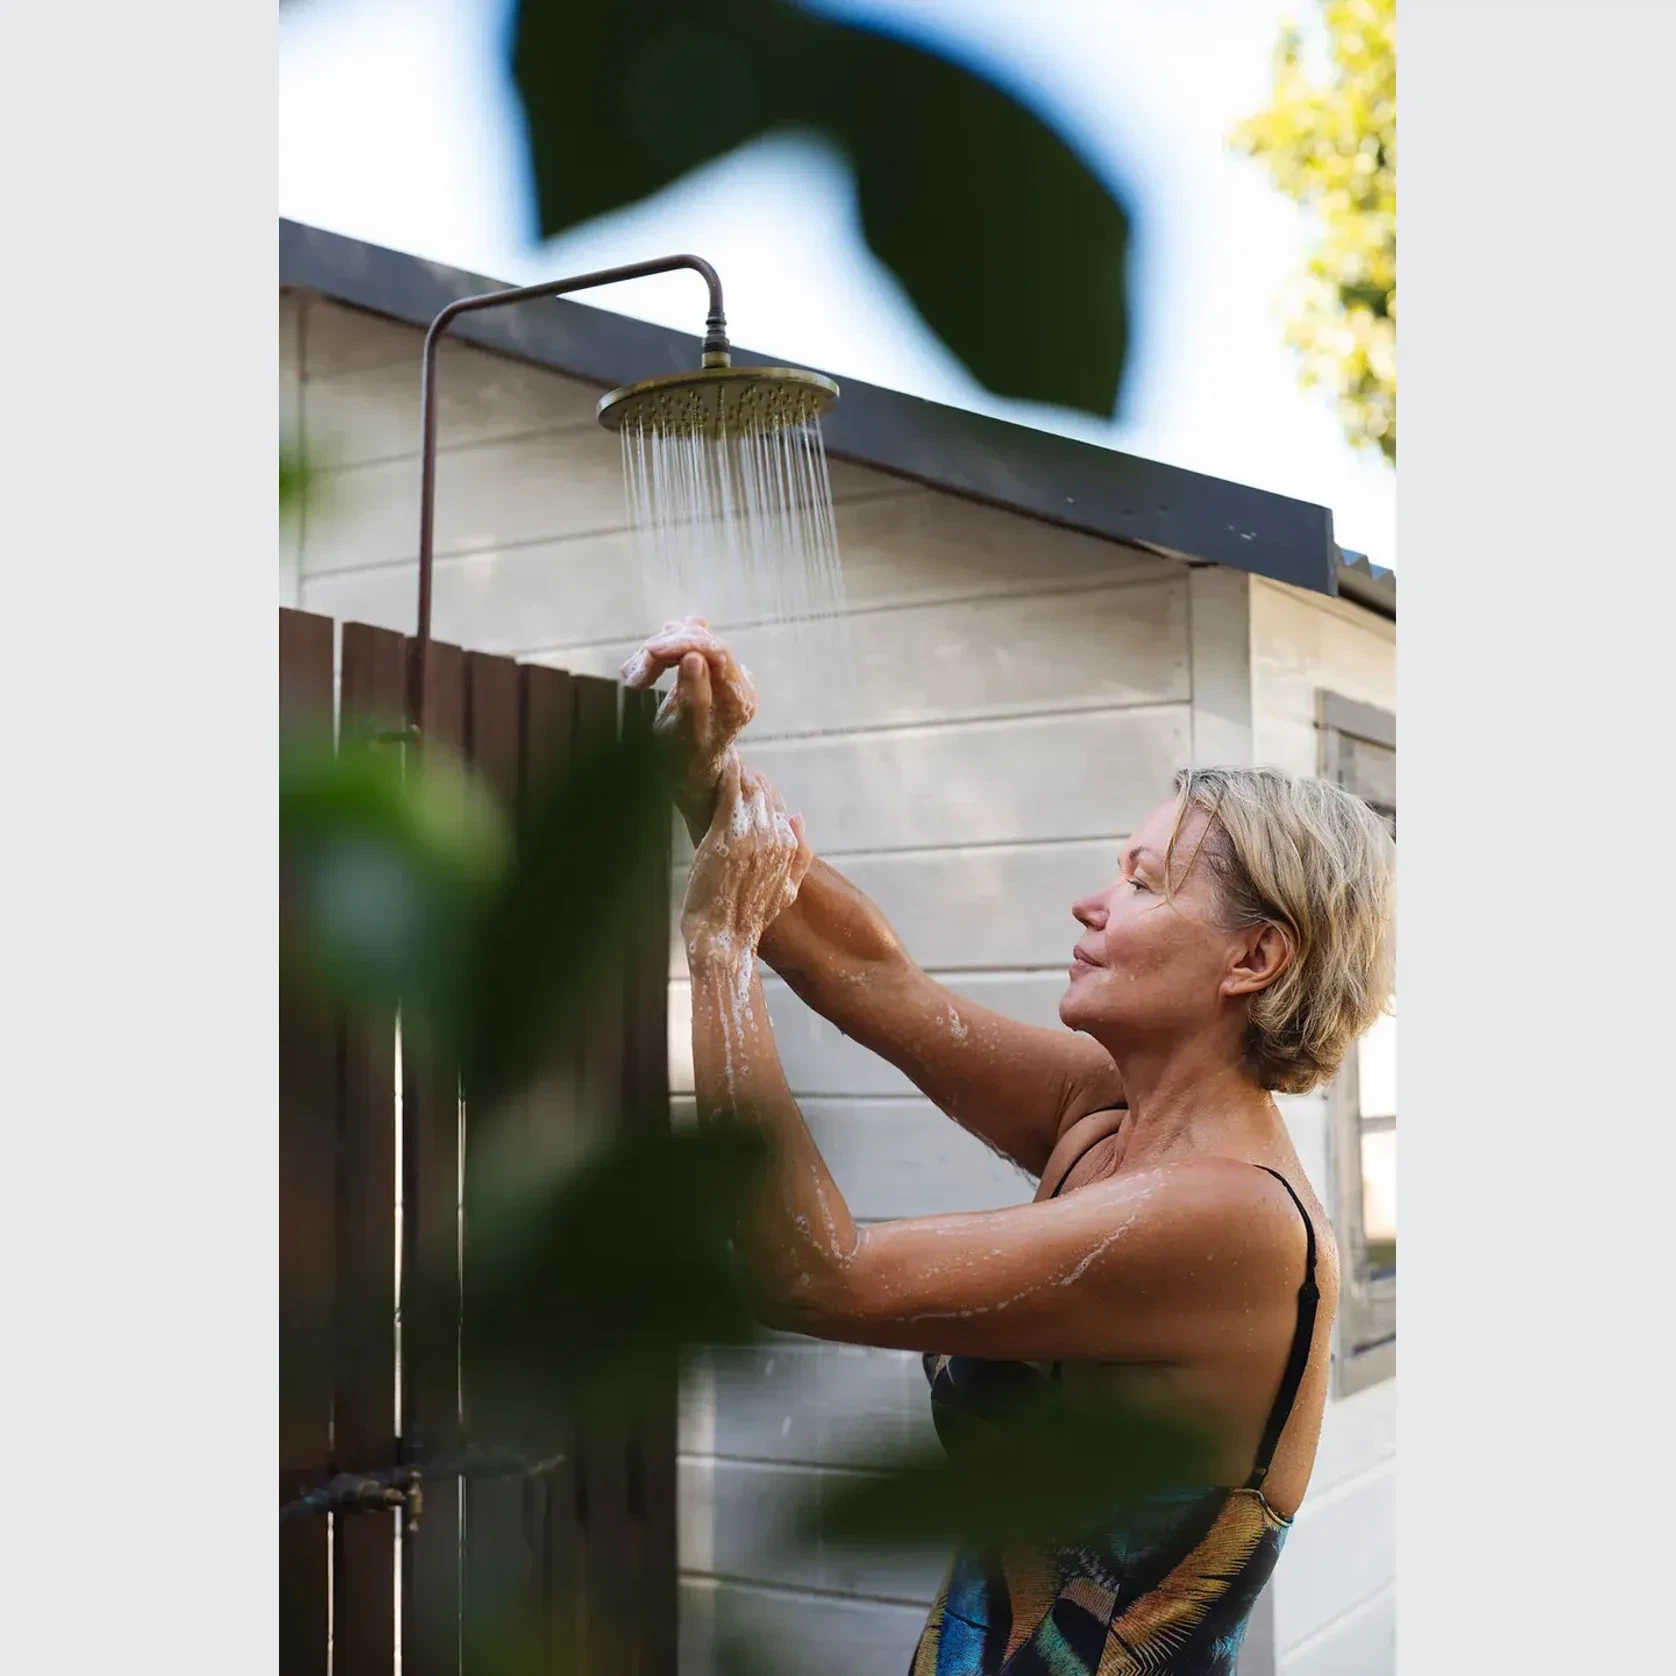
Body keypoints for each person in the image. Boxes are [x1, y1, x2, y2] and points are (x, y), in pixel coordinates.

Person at [623, 619, 1396, 1676]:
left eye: (1139, 878)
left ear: (1252, 956)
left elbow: (810, 1272)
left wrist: (718, 951)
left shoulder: (1238, 1221)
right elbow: (880, 982)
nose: (1090, 900)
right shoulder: (1106, 1111)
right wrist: (707, 785)